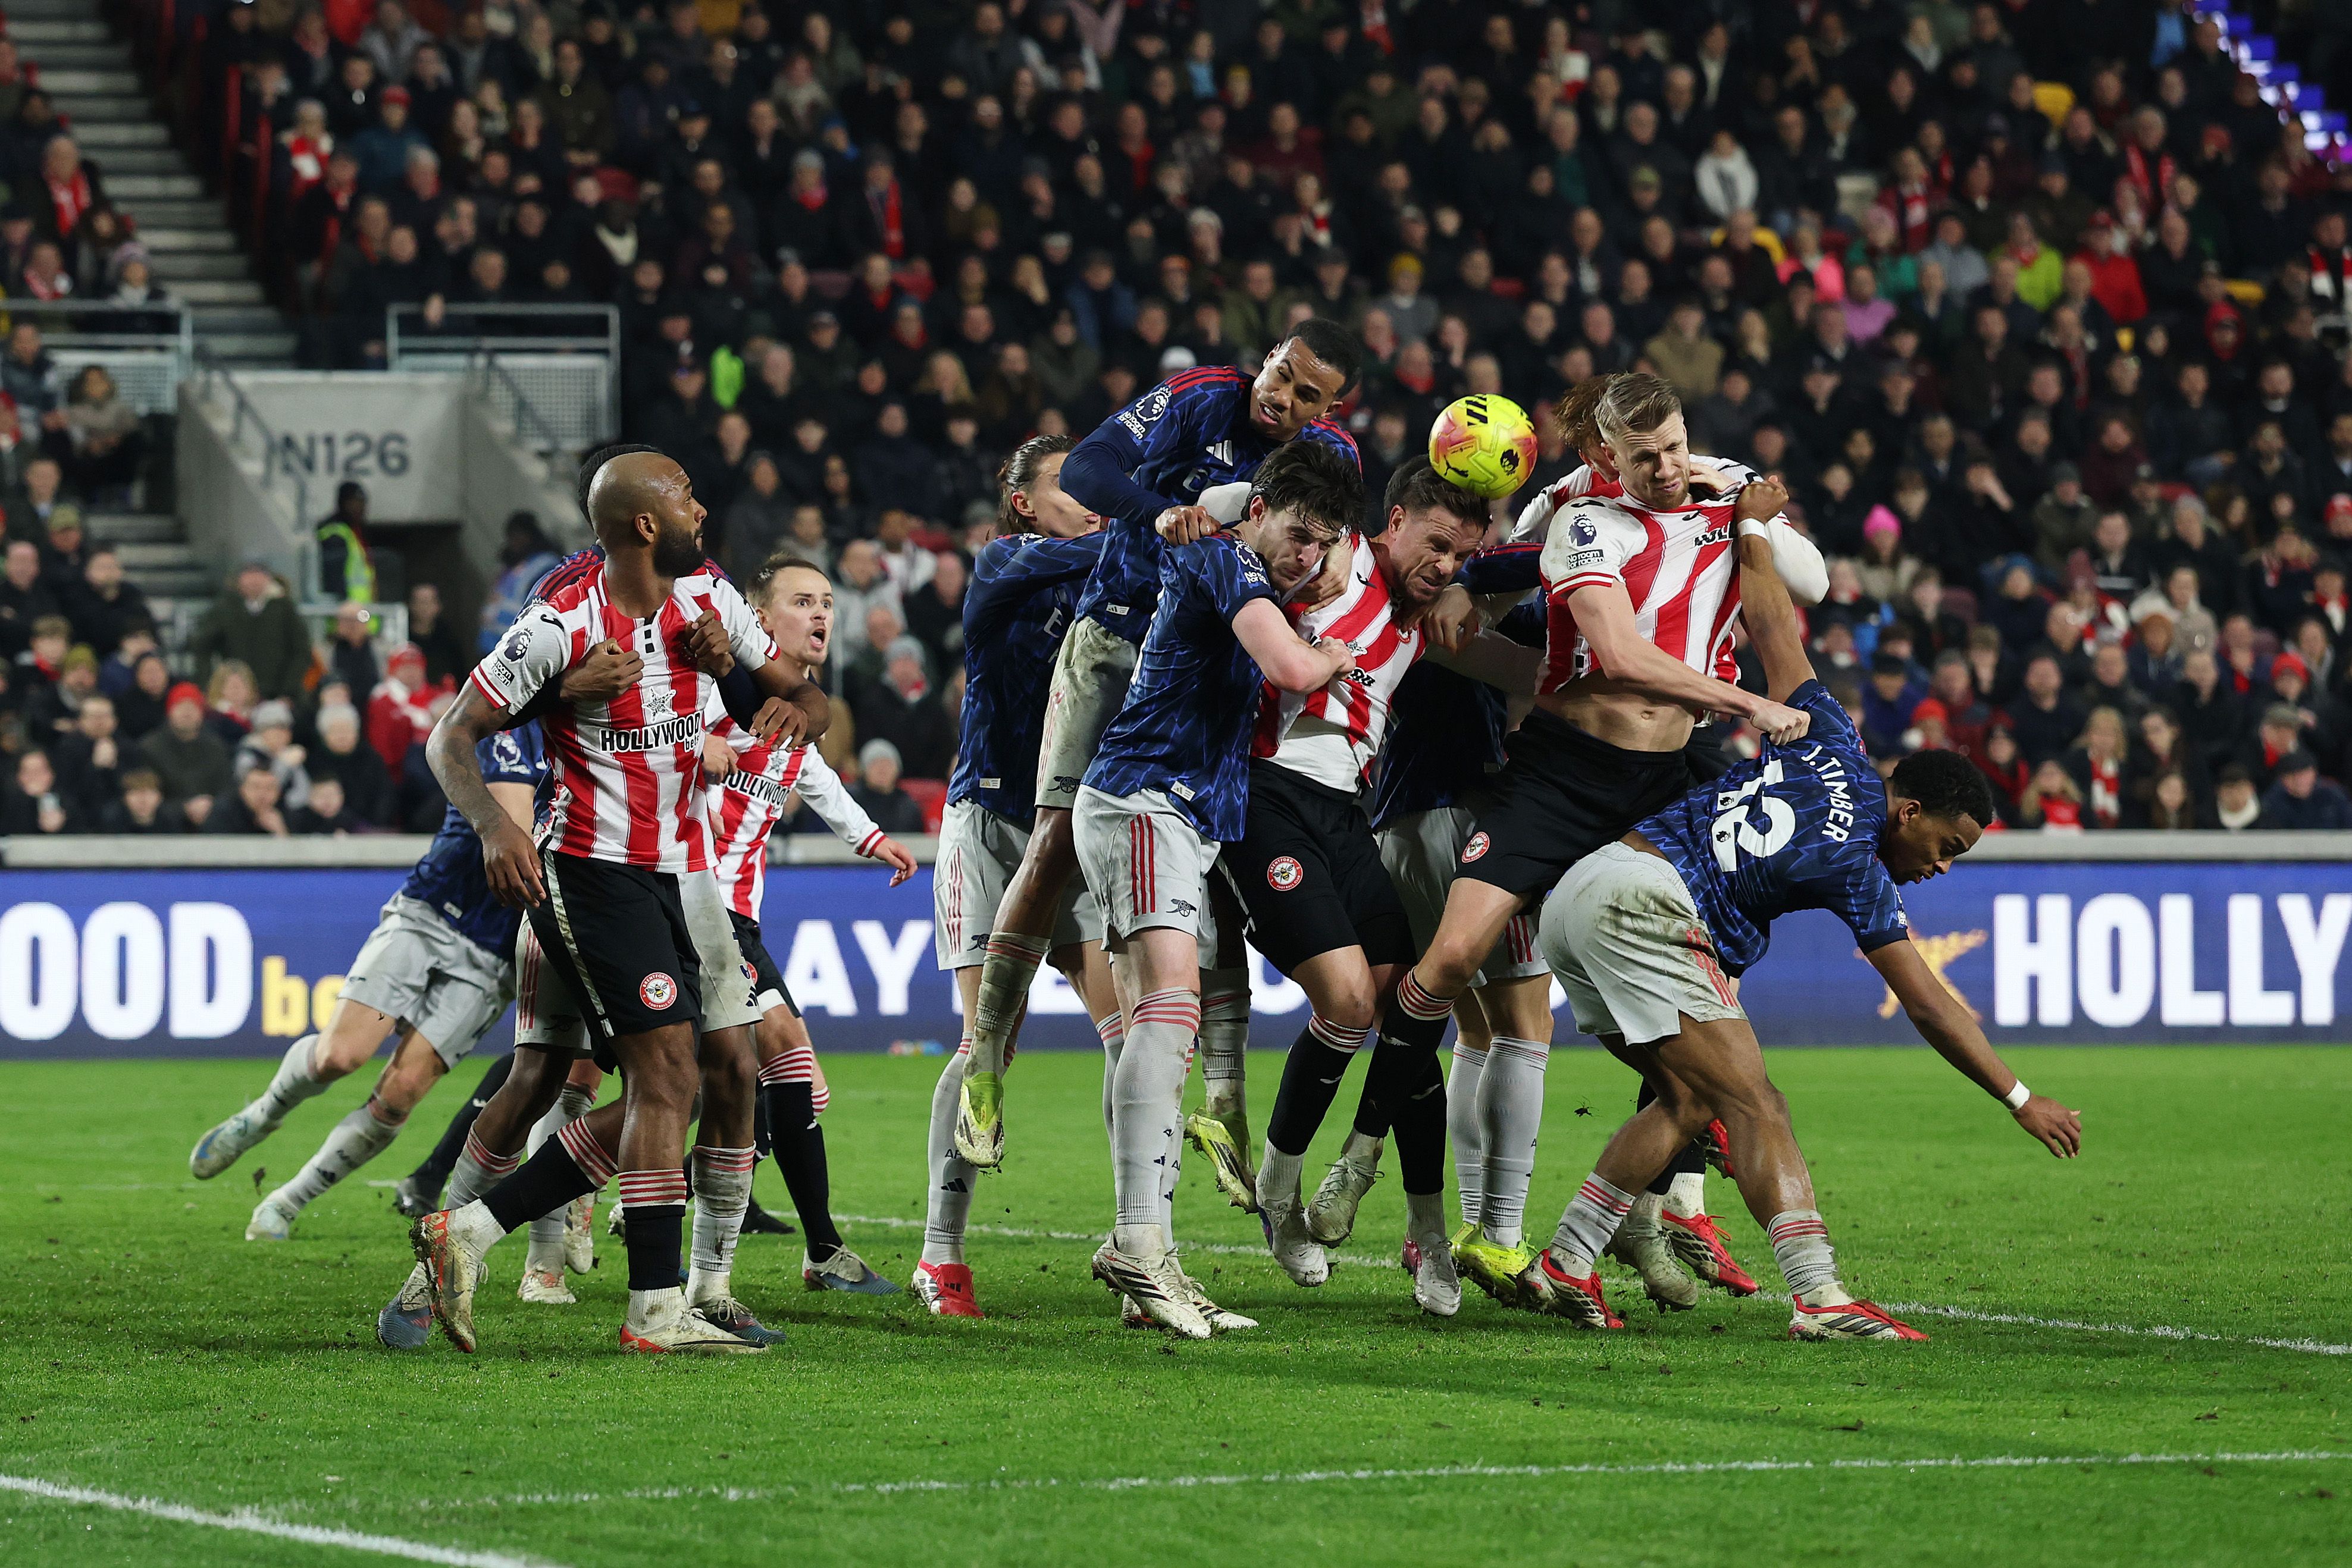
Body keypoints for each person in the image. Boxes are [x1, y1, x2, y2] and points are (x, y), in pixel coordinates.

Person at [1532, 511, 2081, 1337]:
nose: (1941, 867)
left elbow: (1771, 623)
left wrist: (1751, 524)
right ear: (1909, 810)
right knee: (1759, 1105)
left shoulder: (1830, 735)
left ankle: (1566, 1262)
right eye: (1946, 846)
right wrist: (2019, 1097)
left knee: (1688, 1099)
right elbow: (1929, 1005)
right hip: (1647, 904)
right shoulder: (1860, 867)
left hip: (1584, 890)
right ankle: (1820, 1296)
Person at [1382, 374, 1811, 1309]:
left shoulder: (1715, 489)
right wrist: (1473, 602)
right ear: (1600, 457)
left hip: (1669, 773)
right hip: (1558, 770)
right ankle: (1376, 1162)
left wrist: (1745, 514)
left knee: (1704, 1007)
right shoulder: (1576, 520)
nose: (1661, 469)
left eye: (1673, 448)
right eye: (1639, 454)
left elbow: (1807, 579)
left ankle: (1658, 1208)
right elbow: (1571, 623)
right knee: (1457, 971)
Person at [399, 443, 830, 1355]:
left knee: (730, 1073)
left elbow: (809, 706)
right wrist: (494, 825)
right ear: (645, 524)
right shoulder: (561, 624)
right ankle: (654, 1312)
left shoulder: (710, 598)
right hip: (594, 871)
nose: (701, 509)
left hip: (692, 873)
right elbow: (450, 740)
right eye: (684, 497)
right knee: (651, 1077)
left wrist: (763, 690)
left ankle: (470, 1235)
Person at [954, 319, 1363, 1171]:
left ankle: (1224, 1106)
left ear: (1331, 406)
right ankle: (985, 1057)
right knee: (1057, 840)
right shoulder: (1198, 399)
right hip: (1113, 639)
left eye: (1305, 393)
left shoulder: (1330, 459)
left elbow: (1336, 549)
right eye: (1279, 373)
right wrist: (1162, 511)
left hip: (1215, 667)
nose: (1279, 396)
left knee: (1210, 868)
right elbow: (1091, 469)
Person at [1071, 438, 1361, 1338]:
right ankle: (1135, 1242)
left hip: (1174, 812)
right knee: (1169, 1015)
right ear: (1263, 508)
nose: (1307, 556)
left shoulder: (1249, 570)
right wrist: (1333, 655)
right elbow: (1290, 672)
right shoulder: (1222, 553)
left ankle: (1147, 1262)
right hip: (1148, 795)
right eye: (1300, 534)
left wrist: (1306, 610)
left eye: (1322, 545)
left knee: (1152, 1036)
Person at [1202, 456, 1485, 1316]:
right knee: (1349, 1002)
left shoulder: (1422, 613)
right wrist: (1194, 511)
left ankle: (1430, 1233)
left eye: (1461, 557)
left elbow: (1512, 564)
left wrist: (1464, 589)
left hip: (1345, 810)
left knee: (1411, 1005)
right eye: (1435, 545)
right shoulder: (1333, 558)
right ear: (1392, 523)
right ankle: (1281, 1202)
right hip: (1264, 793)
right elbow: (1247, 512)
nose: (1445, 566)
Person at [187, 724, 550, 1241]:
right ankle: (263, 1115)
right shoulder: (518, 732)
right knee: (340, 1056)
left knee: (401, 1092)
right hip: (434, 915)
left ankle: (287, 1201)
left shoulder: (610, 749)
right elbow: (517, 831)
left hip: (495, 957)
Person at [918, 434, 1125, 1317]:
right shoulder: (1003, 562)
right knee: (987, 1042)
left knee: (1135, 1033)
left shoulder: (1116, 571)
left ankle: (1136, 1241)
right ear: (1024, 505)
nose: (1088, 499)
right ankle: (941, 1252)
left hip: (1075, 825)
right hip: (990, 827)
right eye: (1066, 487)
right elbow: (1115, 546)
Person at [700, 553, 917, 1296]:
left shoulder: (798, 708)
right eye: (803, 600)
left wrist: (870, 838)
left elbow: (815, 775)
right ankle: (805, 1247)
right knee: (787, 1064)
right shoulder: (721, 684)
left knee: (780, 1080)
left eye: (827, 600)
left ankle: (665, 1194)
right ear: (761, 620)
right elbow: (664, 733)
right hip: (692, 902)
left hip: (736, 917)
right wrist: (696, 746)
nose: (822, 613)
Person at [189, 561, 315, 703]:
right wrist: (209, 686)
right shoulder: (225, 608)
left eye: (259, 574)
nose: (254, 580)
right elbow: (202, 644)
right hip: (235, 697)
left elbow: (302, 651)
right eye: (249, 574)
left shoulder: (284, 608)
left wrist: (289, 691)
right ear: (239, 579)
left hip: (277, 696)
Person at [317, 481, 377, 603]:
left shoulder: (356, 530)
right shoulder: (334, 532)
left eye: (362, 502)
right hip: (345, 609)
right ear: (343, 503)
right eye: (354, 502)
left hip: (361, 608)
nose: (359, 507)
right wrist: (342, 602)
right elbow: (333, 576)